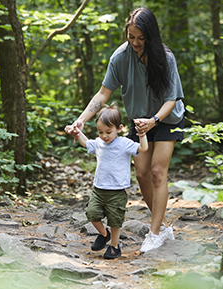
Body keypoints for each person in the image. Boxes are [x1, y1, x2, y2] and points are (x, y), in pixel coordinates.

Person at [66, 7, 184, 253]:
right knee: (141, 174)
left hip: (166, 118)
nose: (136, 43)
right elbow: (103, 94)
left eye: (141, 38)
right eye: (131, 37)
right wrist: (81, 120)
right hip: (139, 120)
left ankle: (153, 234)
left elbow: (171, 100)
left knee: (157, 172)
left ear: (150, 36)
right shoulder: (120, 57)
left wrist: (153, 120)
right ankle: (162, 226)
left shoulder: (166, 57)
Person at [65, 106, 148, 259]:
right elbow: (86, 143)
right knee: (92, 213)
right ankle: (104, 234)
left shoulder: (125, 143)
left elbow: (143, 148)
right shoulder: (99, 142)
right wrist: (78, 132)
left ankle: (114, 246)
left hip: (117, 191)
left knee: (115, 220)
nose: (104, 136)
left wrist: (142, 134)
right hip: (99, 189)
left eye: (108, 132)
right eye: (100, 132)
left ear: (119, 128)